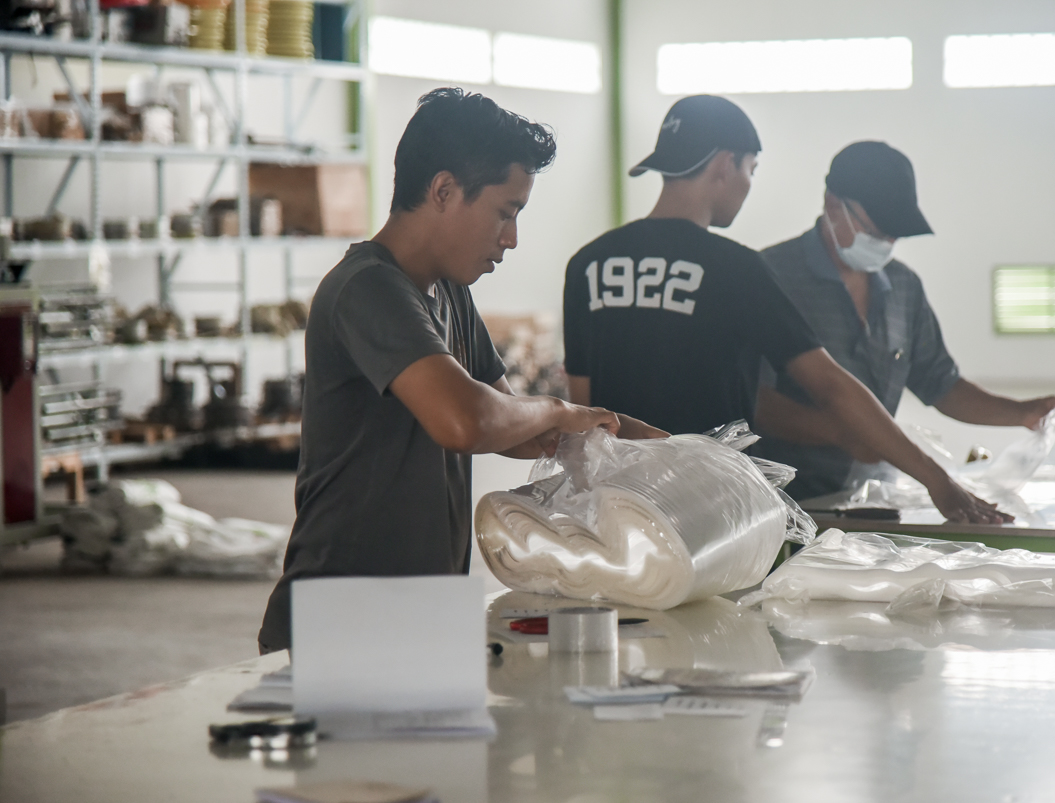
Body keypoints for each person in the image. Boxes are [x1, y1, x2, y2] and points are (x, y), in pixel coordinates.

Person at [258, 88, 638, 653]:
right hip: (340, 620)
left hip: (420, 613)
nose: (511, 239)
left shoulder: (449, 294)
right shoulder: (367, 288)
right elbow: (467, 421)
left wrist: (640, 447)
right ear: (443, 190)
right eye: (505, 213)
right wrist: (561, 409)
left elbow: (517, 426)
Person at [562, 95, 1008, 527]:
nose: (748, 184)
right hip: (708, 515)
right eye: (751, 169)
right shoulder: (735, 268)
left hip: (616, 506)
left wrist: (590, 506)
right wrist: (937, 480)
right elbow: (830, 385)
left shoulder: (588, 263)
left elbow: (581, 408)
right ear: (724, 164)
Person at [757, 141, 1055, 500]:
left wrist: (1022, 412)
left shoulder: (903, 287)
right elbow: (755, 400)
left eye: (894, 234)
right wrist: (840, 432)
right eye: (874, 231)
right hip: (783, 498)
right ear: (832, 205)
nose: (885, 242)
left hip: (873, 497)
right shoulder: (771, 278)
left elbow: (941, 384)